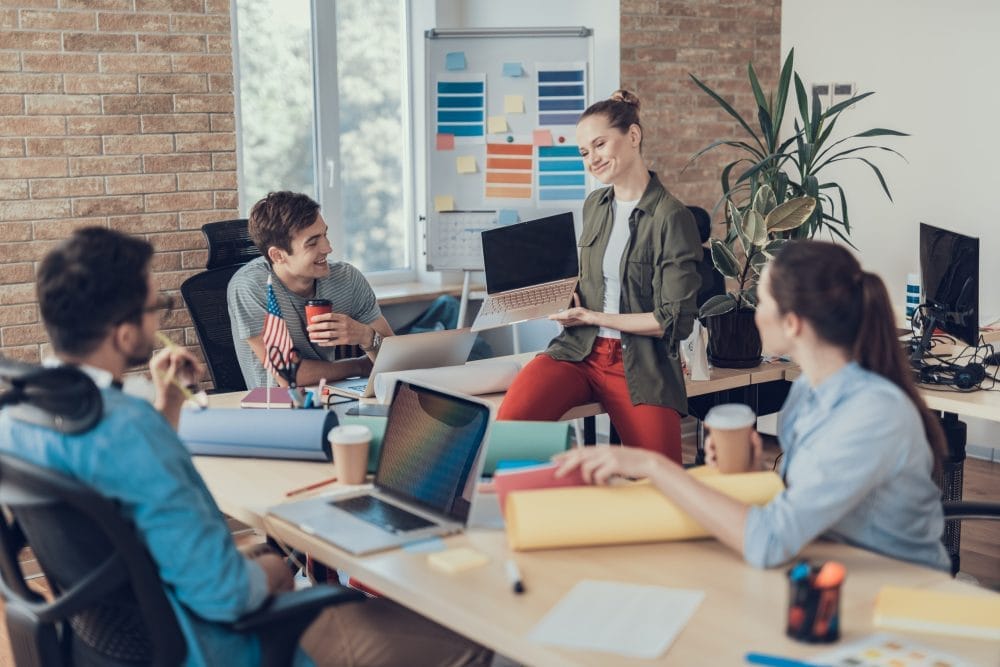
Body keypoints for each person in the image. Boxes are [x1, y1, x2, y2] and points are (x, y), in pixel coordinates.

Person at [0, 228, 491, 666]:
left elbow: (124, 481)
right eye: (157, 309)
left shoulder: (22, 418)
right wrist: (281, 564)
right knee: (469, 640)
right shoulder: (129, 429)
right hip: (220, 644)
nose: (158, 320)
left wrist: (167, 405)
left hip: (115, 642)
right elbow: (229, 596)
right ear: (124, 331)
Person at [553, 240, 951, 571]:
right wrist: (751, 470)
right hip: (826, 569)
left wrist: (652, 466)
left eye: (761, 302)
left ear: (792, 323)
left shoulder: (874, 414)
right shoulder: (810, 391)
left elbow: (771, 541)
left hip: (895, 593)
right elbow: (807, 502)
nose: (754, 315)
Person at [497, 90, 703, 462]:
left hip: (640, 364)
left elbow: (673, 320)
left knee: (660, 478)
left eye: (599, 144)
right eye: (583, 153)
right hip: (578, 350)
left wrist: (593, 316)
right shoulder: (595, 204)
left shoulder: (672, 218)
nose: (592, 159)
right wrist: (565, 297)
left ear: (634, 137)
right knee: (509, 430)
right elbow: (597, 281)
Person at [228, 191, 395, 388]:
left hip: (334, 395)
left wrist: (366, 336)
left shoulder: (347, 279)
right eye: (313, 242)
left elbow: (395, 360)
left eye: (325, 234)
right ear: (278, 255)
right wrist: (358, 366)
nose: (328, 248)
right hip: (277, 408)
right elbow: (288, 374)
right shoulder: (251, 286)